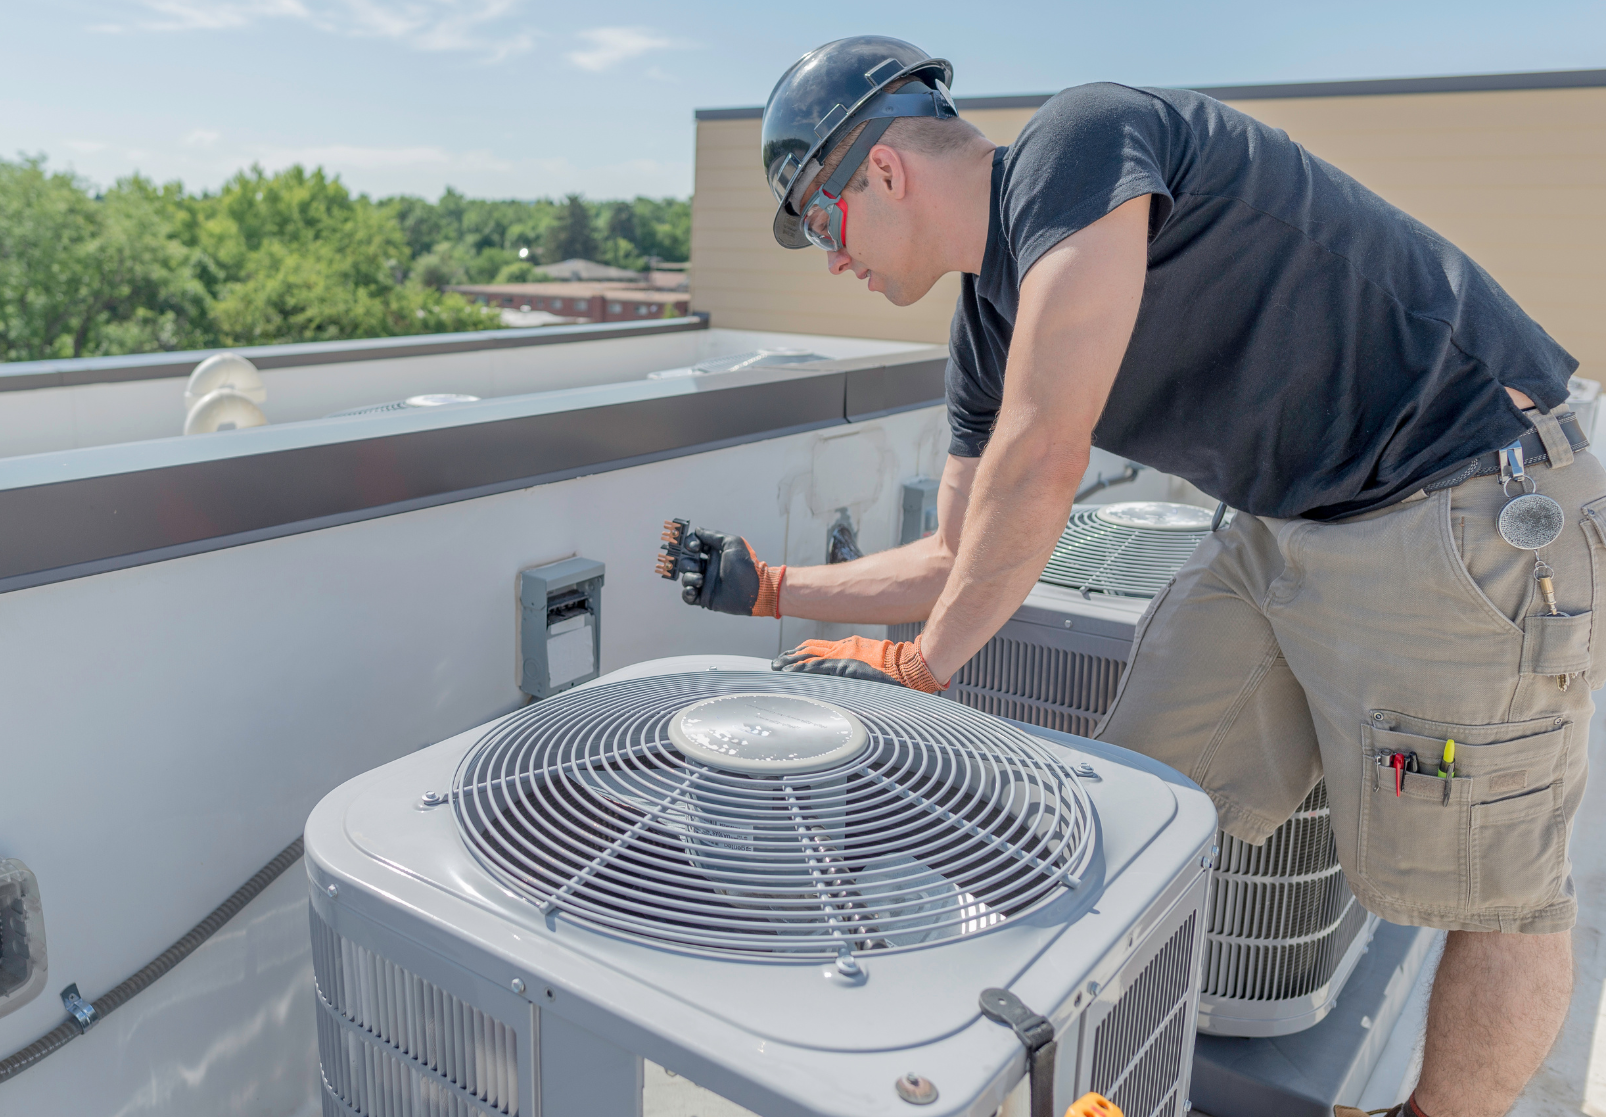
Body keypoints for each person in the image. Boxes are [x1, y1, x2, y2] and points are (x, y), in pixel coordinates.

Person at [665, 36, 1593, 1117]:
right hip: (1288, 522)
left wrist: (921, 662)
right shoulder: (987, 322)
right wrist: (769, 588)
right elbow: (957, 553)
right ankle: (1094, 1074)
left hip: (1465, 492)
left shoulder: (1080, 139)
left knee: (1498, 893)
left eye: (821, 223)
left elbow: (1046, 450)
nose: (832, 260)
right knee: (1131, 804)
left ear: (882, 169)